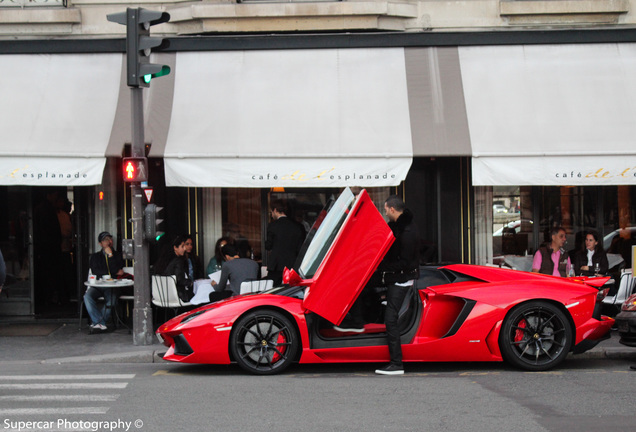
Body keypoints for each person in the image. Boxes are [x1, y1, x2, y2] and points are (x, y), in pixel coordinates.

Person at [374, 195, 420, 376]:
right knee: (389, 315)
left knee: (390, 318)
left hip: (401, 279)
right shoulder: (404, 228)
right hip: (399, 277)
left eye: (385, 210)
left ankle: (396, 363)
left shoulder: (407, 232)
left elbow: (407, 263)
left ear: (392, 209)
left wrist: (382, 267)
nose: (385, 213)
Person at [84, 232, 124, 333]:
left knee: (111, 300)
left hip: (111, 286)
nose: (109, 242)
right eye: (105, 240)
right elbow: (95, 271)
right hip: (98, 285)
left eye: (110, 239)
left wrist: (110, 255)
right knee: (87, 297)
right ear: (100, 244)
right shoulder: (95, 257)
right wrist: (111, 272)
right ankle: (100, 322)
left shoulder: (117, 255)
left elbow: (115, 268)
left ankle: (98, 323)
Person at [265, 201, 305, 286]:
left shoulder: (273, 226)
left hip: (276, 265)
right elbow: (300, 248)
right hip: (292, 264)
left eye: (271, 212)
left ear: (275, 210)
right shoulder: (298, 226)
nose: (271, 215)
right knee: (291, 289)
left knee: (273, 290)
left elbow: (268, 246)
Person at [153, 236, 194, 303]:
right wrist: (191, 283)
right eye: (182, 246)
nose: (184, 249)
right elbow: (179, 280)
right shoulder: (178, 261)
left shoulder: (163, 261)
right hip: (177, 296)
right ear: (175, 247)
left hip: (161, 296)